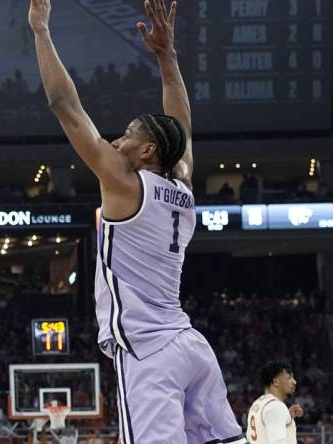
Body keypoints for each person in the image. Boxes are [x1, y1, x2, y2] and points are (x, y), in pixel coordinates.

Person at [28, 0, 245, 442]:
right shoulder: (181, 186)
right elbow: (181, 123)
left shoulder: (126, 183)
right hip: (190, 347)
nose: (117, 138)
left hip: (149, 353)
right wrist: (167, 57)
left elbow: (64, 104)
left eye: (129, 134)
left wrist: (40, 30)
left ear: (147, 152)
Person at [246, 362, 304, 444]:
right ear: (276, 381)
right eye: (289, 378)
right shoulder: (276, 407)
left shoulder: (257, 403)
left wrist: (287, 416)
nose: (294, 382)